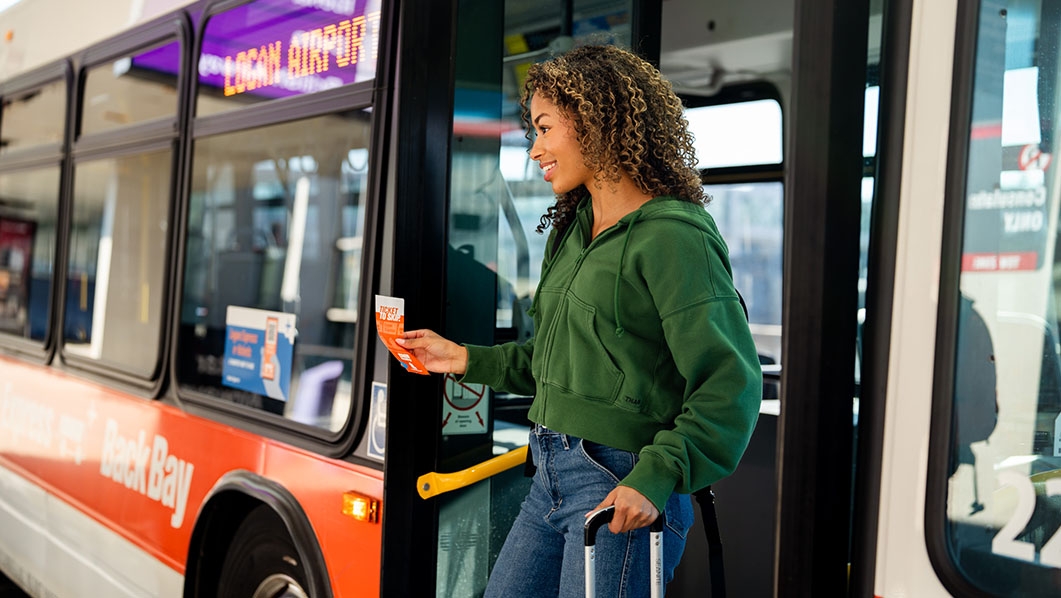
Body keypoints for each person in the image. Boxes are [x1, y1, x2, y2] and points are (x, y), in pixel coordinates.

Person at [398, 44, 762, 597]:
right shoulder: (572, 232)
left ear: (594, 118)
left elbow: (730, 382)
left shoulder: (674, 237)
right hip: (549, 472)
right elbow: (556, 362)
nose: (535, 148)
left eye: (544, 128)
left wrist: (658, 474)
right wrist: (464, 359)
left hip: (622, 483)